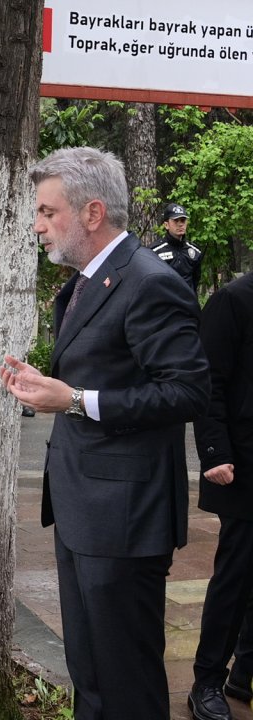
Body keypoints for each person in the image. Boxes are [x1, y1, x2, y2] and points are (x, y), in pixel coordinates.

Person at [0, 146, 209, 719]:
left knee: (126, 683)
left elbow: (188, 391)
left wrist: (74, 399)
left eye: (47, 211)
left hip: (125, 518)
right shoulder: (86, 281)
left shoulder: (151, 282)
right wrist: (52, 386)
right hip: (82, 509)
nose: (37, 225)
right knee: (90, 675)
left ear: (92, 213)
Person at [189, 272, 253, 720]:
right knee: (235, 578)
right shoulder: (233, 299)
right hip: (243, 465)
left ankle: (243, 675)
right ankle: (207, 681)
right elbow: (208, 382)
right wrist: (215, 452)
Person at [148, 202, 202, 293]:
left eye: (183, 220)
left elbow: (195, 280)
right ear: (166, 225)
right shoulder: (154, 251)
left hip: (188, 304)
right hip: (165, 304)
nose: (180, 224)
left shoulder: (195, 251)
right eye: (176, 221)